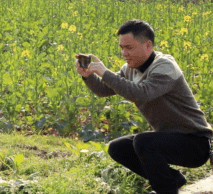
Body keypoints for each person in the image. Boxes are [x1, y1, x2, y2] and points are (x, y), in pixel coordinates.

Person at [75, 19, 213, 194]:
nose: (124, 53)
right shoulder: (130, 68)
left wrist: (105, 72)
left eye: (129, 48)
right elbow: (104, 90)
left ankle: (166, 190)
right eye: (121, 47)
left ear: (148, 46)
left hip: (196, 143)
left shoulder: (165, 66)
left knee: (144, 142)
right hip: (170, 138)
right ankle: (172, 180)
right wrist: (88, 76)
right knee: (118, 147)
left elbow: (141, 93)